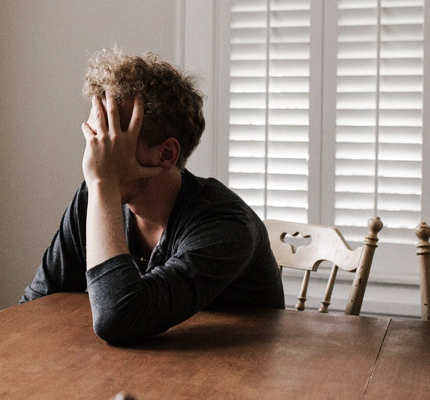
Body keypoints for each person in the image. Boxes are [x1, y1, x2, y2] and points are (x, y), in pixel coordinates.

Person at [20, 48, 284, 344]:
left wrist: (104, 184)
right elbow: (35, 307)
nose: (94, 155)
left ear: (166, 154)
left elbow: (118, 319)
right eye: (94, 136)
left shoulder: (226, 226)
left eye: (111, 139)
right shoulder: (93, 198)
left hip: (237, 376)